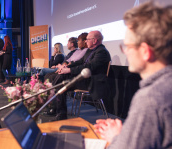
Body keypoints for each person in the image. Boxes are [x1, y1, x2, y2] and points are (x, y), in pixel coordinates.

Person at [94, 2, 172, 149]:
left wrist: (116, 138)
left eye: (128, 46)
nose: (125, 52)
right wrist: (130, 133)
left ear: (145, 51)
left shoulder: (150, 98)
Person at [52, 30, 111, 120]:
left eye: (87, 39)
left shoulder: (102, 52)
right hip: (85, 79)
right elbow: (79, 62)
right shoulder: (90, 51)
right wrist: (65, 67)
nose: (86, 41)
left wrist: (69, 70)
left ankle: (59, 112)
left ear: (94, 41)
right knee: (60, 78)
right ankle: (57, 110)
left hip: (92, 82)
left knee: (61, 81)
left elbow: (88, 67)